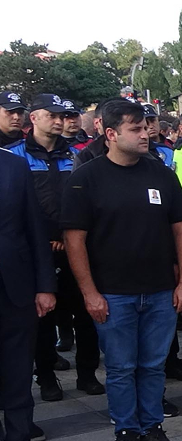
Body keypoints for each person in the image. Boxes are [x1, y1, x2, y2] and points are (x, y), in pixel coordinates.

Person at [62, 99, 182, 441]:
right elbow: (75, 240)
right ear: (111, 134)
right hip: (112, 294)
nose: (145, 134)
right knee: (120, 368)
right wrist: (89, 293)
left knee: (152, 365)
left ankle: (152, 428)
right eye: (135, 129)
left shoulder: (160, 174)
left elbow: (181, 228)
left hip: (159, 291)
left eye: (146, 127)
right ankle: (126, 432)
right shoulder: (86, 179)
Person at [6, 93, 105, 404]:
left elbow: (87, 201)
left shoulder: (77, 154)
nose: (61, 121)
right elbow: (17, 209)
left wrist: (71, 236)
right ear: (33, 118)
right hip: (37, 251)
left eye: (63, 116)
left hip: (78, 246)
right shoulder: (14, 156)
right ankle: (46, 376)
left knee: (87, 313)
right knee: (43, 317)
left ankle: (87, 373)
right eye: (53, 115)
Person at [0, 143, 63, 441]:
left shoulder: (13, 165)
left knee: (18, 375)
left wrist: (44, 285)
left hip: (15, 288)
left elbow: (34, 228)